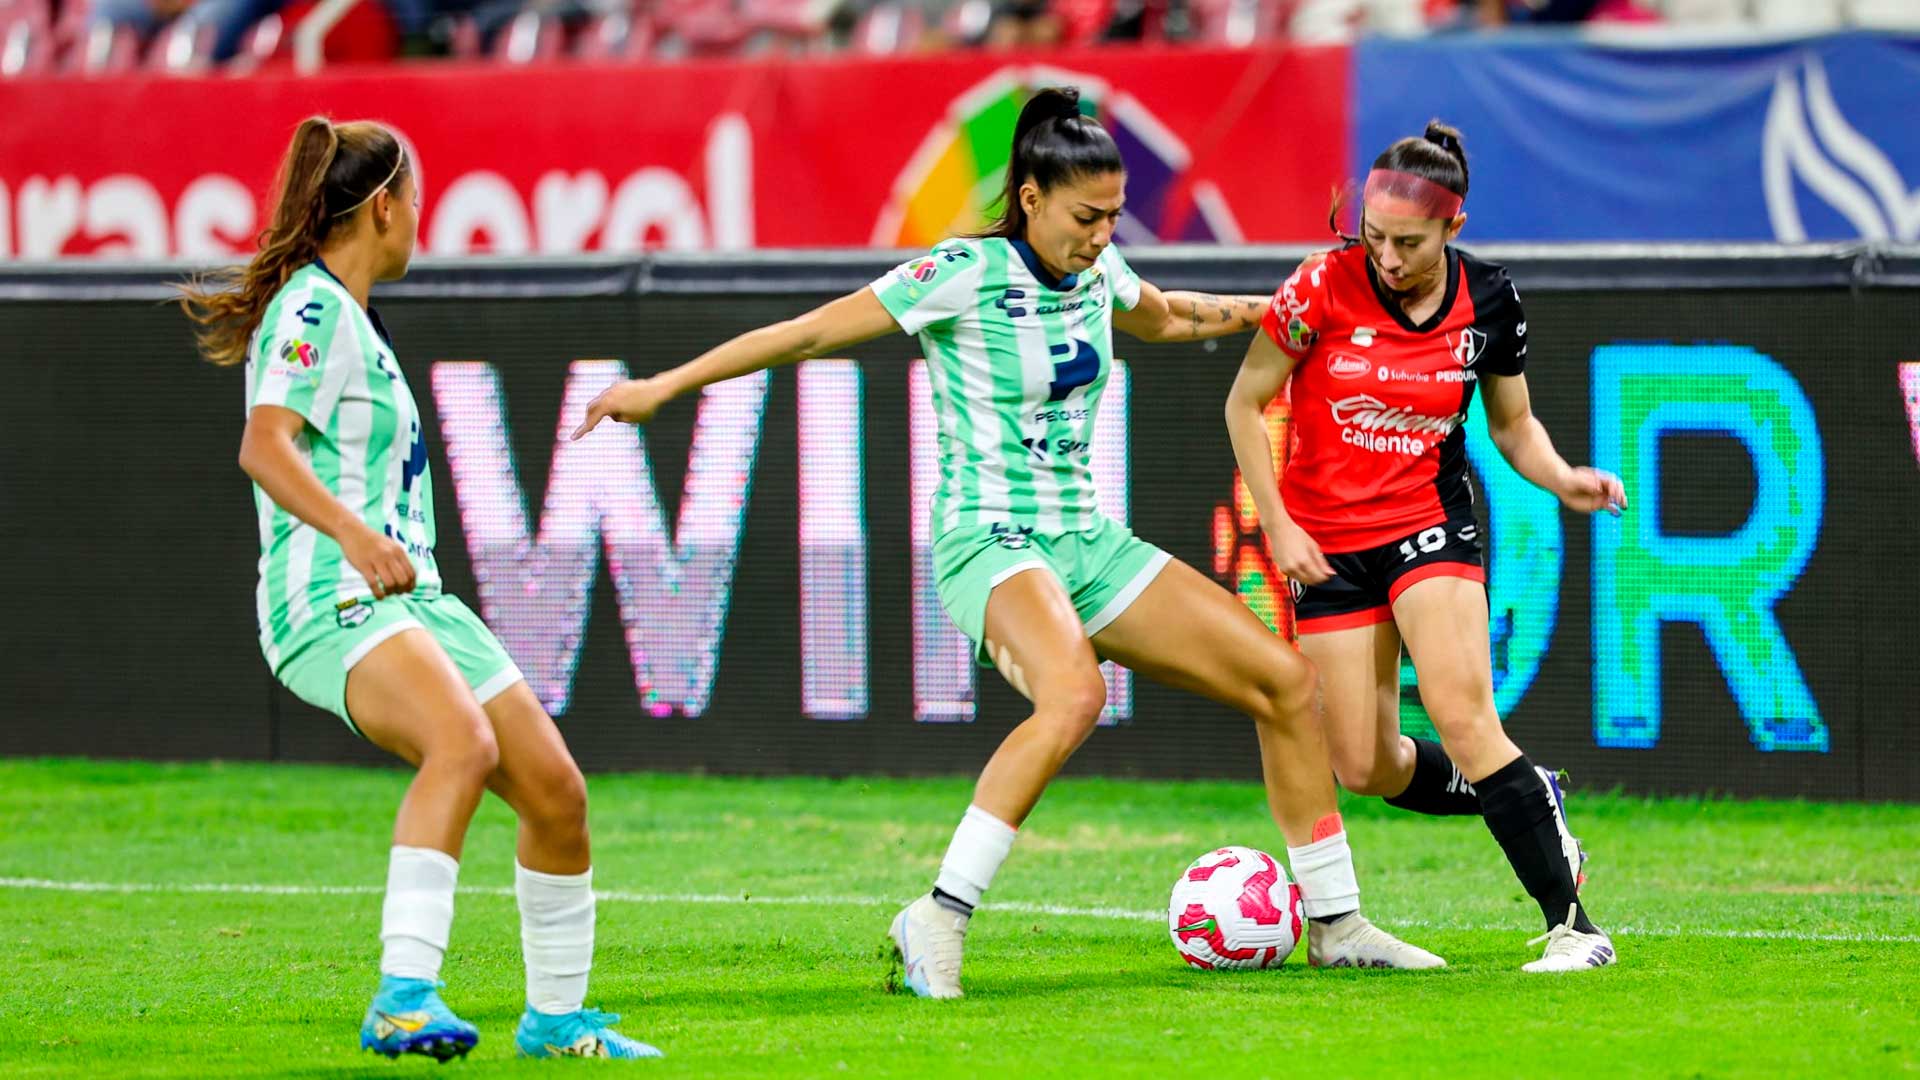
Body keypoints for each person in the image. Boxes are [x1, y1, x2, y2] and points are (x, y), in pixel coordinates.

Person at [574, 87, 1445, 998]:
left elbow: (1168, 316)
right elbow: (808, 333)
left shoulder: (1101, 272)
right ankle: (937, 919)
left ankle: (1338, 925)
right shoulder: (961, 272)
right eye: (1085, 216)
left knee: (1286, 682)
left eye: (1113, 215)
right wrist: (662, 387)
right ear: (1028, 197)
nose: (1104, 234)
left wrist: (1279, 311)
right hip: (989, 541)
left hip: (1088, 541)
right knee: (1071, 694)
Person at [177, 116, 662, 1059]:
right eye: (417, 204)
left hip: (412, 600)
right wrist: (356, 534)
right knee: (460, 742)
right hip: (329, 598)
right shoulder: (313, 308)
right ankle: (404, 996)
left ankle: (556, 1021)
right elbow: (262, 446)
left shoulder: (352, 318)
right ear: (383, 206)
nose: (420, 224)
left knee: (558, 793)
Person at [1224, 121, 1621, 972]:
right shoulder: (1318, 288)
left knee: (1465, 716)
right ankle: (1525, 796)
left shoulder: (1489, 298)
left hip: (1428, 523)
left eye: (1408, 242)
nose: (1388, 258)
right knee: (1364, 765)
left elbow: (1513, 427)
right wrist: (1280, 526)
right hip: (1327, 542)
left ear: (1454, 228)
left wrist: (1562, 477)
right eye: (1373, 237)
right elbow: (1243, 404)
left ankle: (1576, 928)